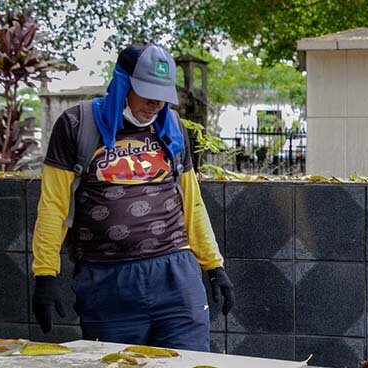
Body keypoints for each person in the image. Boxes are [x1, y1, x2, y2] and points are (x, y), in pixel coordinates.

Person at [31, 43, 233, 351]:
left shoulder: (172, 128)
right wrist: (46, 274)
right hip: (107, 281)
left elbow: (192, 202)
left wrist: (214, 266)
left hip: (175, 276)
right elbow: (53, 205)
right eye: (147, 92)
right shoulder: (76, 125)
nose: (155, 104)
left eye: (163, 96)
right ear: (122, 83)